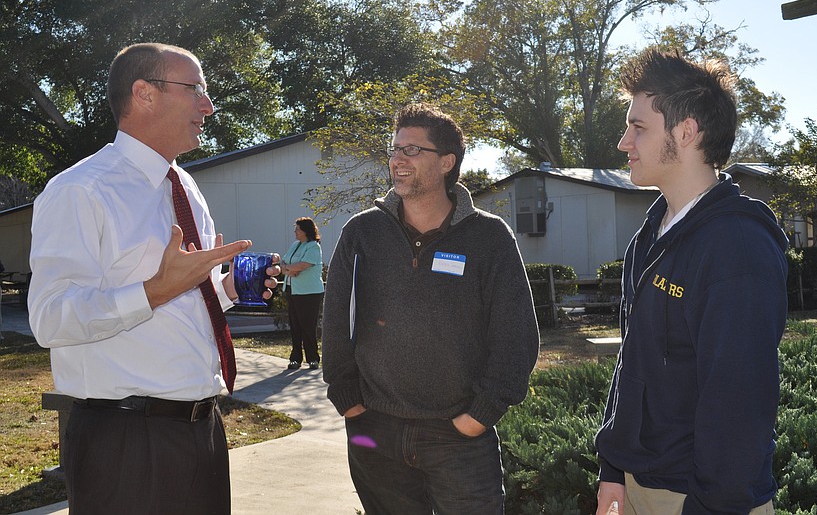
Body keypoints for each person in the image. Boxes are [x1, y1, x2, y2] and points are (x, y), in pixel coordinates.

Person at [28, 42, 279, 515]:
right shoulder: (79, 191)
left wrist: (222, 290)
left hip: (202, 429)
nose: (208, 105)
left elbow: (179, 299)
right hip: (124, 440)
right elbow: (49, 319)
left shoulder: (185, 186)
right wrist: (154, 290)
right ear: (143, 93)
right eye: (196, 89)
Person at [594, 48, 788, 515]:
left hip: (697, 499)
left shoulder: (736, 247)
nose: (624, 142)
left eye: (638, 127)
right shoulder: (653, 231)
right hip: (639, 485)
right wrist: (614, 471)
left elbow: (739, 405)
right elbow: (633, 361)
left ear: (686, 132)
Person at [322, 102, 540, 514]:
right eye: (394, 150)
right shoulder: (362, 232)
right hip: (376, 431)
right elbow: (335, 321)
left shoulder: (489, 238)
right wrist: (346, 398)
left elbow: (516, 334)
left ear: (446, 162)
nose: (397, 160)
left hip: (459, 436)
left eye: (411, 151)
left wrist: (481, 413)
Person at [281, 216, 324, 370]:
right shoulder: (295, 245)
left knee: (308, 326)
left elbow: (304, 265)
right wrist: (289, 270)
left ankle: (313, 358)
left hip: (309, 293)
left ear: (305, 231)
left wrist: (289, 269)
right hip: (292, 290)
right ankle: (295, 359)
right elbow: (283, 262)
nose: (295, 231)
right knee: (295, 326)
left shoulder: (313, 247)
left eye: (297, 229)